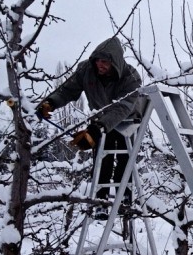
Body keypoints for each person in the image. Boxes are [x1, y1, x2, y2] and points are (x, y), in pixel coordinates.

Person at [36, 37, 144, 218]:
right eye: (99, 61)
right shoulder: (86, 70)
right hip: (101, 118)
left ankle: (124, 199)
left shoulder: (130, 77)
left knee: (124, 159)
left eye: (106, 63)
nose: (101, 65)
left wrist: (98, 127)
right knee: (102, 159)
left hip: (127, 121)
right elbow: (68, 90)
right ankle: (101, 202)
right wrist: (51, 102)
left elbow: (123, 107)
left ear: (115, 63)